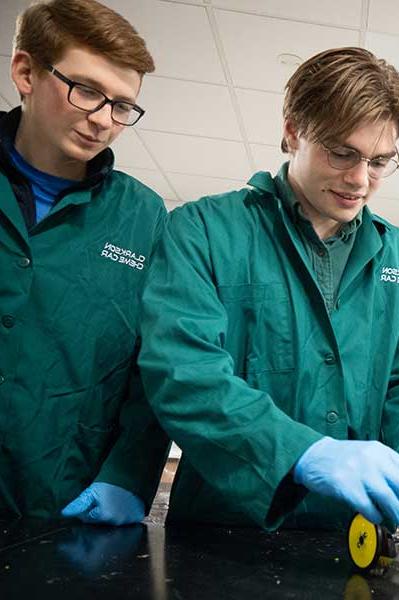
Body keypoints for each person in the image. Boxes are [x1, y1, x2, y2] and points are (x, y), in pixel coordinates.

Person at [138, 47, 399, 531]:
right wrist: (301, 452)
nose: (359, 180)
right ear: (293, 131)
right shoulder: (203, 230)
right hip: (225, 529)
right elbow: (186, 374)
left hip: (359, 535)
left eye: (378, 162)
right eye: (343, 153)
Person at [0, 0, 169, 524]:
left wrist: (127, 478)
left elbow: (155, 369)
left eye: (123, 106)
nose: (104, 121)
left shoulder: (143, 217)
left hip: (65, 504)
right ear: (26, 72)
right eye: (88, 91)